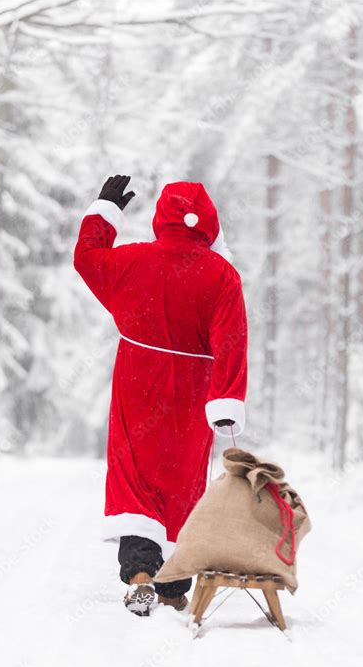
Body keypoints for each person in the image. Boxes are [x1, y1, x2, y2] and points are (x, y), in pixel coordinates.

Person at [74, 175, 248, 616]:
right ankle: (173, 584)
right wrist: (226, 398)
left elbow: (88, 259)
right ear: (209, 221)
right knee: (183, 482)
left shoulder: (133, 262)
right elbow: (232, 340)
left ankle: (139, 575)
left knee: (134, 476)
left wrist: (105, 212)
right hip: (193, 390)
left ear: (161, 217)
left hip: (138, 380)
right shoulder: (222, 275)